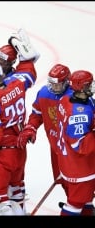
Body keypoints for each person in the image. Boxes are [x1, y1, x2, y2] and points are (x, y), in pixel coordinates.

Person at [0, 58, 37, 215]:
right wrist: (26, 58)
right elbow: (30, 73)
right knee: (17, 190)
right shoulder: (16, 84)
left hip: (2, 154)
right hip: (20, 149)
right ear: (3, 75)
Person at [17, 64, 72, 195]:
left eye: (57, 84)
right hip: (56, 146)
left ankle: (80, 206)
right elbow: (37, 114)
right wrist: (31, 127)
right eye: (52, 84)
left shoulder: (74, 97)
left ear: (66, 82)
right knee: (64, 181)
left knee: (79, 183)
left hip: (74, 149)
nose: (54, 87)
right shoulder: (44, 93)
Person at [56, 70, 95, 216]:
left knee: (86, 200)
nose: (91, 86)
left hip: (68, 162)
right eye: (88, 84)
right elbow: (80, 145)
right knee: (75, 203)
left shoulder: (65, 100)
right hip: (80, 168)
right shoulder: (79, 114)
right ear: (80, 86)